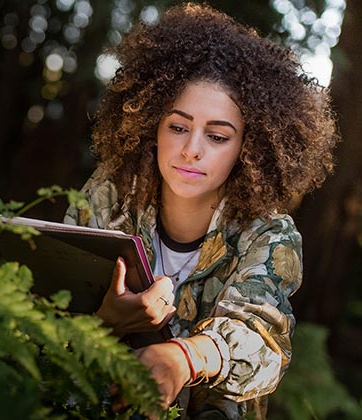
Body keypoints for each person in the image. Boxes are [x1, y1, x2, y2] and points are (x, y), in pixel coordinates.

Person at [63, 3, 338, 419]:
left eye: (217, 135)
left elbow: (264, 339)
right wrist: (106, 319)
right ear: (150, 125)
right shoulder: (108, 195)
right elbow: (47, 322)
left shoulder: (269, 233)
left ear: (248, 148)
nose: (192, 148)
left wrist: (184, 358)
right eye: (178, 127)